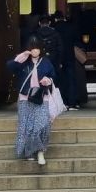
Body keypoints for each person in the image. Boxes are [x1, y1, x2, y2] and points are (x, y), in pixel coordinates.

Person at [10, 37, 57, 167]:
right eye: (32, 48)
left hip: (42, 97)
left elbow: (53, 75)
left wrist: (47, 80)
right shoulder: (24, 61)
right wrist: (22, 56)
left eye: (37, 48)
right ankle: (29, 152)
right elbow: (11, 66)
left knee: (43, 125)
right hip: (25, 97)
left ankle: (41, 151)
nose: (35, 50)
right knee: (27, 126)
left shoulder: (45, 61)